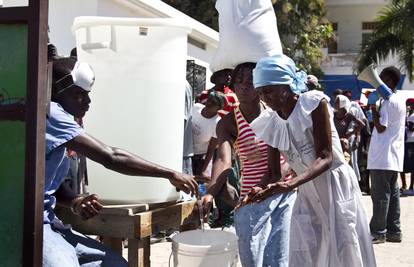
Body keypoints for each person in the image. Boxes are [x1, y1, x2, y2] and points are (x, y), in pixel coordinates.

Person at [43, 57, 198, 267]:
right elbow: (111, 157)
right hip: (30, 225)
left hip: (50, 222)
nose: (87, 101)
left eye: (87, 94)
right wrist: (170, 174)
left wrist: (74, 200)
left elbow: (47, 182)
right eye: (79, 94)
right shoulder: (51, 113)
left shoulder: (59, 119)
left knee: (114, 263)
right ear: (56, 91)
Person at [249, 55, 376, 266]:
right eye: (261, 92)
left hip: (335, 186)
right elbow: (273, 172)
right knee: (309, 251)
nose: (264, 98)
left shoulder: (313, 103)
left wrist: (290, 184)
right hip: (307, 193)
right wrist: (258, 190)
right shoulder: (271, 121)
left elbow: (325, 157)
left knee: (345, 249)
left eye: (269, 90)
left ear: (285, 86)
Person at [201, 62, 296, 267]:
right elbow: (224, 160)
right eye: (239, 81)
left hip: (281, 192)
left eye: (251, 82)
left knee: (278, 257)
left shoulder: (274, 114)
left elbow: (288, 159)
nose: (244, 87)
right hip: (251, 197)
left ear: (260, 85)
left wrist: (279, 179)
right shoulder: (228, 122)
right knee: (251, 256)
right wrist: (210, 192)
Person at [367, 66, 406, 244]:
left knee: (381, 196)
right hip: (392, 157)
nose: (378, 83)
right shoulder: (396, 99)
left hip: (383, 157)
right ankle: (393, 231)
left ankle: (378, 232)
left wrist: (372, 108)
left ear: (389, 82)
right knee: (393, 196)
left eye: (381, 80)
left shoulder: (390, 101)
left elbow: (381, 128)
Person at [191, 91, 224, 181]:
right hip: (184, 151)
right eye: (209, 100)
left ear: (219, 108)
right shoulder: (195, 108)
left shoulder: (217, 123)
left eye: (214, 103)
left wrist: (204, 169)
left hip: (198, 158)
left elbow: (211, 149)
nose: (209, 103)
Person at [333, 95, 366, 163]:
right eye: (336, 102)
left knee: (348, 162)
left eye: (337, 102)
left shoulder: (348, 115)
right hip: (335, 142)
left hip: (345, 143)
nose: (335, 103)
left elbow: (362, 124)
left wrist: (349, 135)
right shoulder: (332, 114)